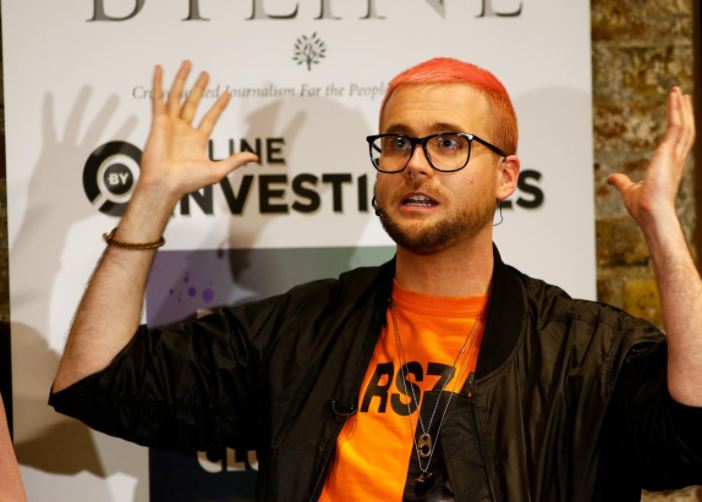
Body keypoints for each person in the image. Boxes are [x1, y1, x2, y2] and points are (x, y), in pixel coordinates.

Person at [49, 58, 702, 501]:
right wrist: (152, 199)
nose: (415, 164)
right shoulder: (298, 332)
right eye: (397, 141)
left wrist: (663, 235)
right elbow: (97, 381)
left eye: (449, 143)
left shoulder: (583, 351)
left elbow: (692, 431)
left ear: (508, 176)